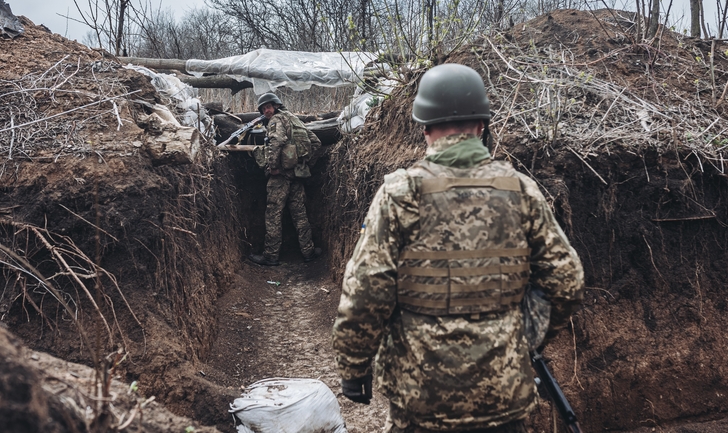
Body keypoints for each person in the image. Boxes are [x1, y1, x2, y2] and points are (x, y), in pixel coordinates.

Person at [331, 63, 584, 432]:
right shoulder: (521, 191)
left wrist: (354, 368)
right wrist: (522, 336)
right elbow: (567, 282)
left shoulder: (400, 194)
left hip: (422, 396)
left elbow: (367, 290)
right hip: (502, 393)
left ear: (425, 128)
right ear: (482, 126)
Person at [247, 93, 322, 266]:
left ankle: (270, 256)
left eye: (268, 107)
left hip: (280, 176)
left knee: (273, 214)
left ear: (276, 106)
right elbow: (316, 143)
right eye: (263, 108)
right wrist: (306, 165)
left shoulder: (276, 121)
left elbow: (276, 142)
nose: (266, 111)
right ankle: (308, 251)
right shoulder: (294, 119)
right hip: (296, 175)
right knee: (299, 213)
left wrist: (273, 167)